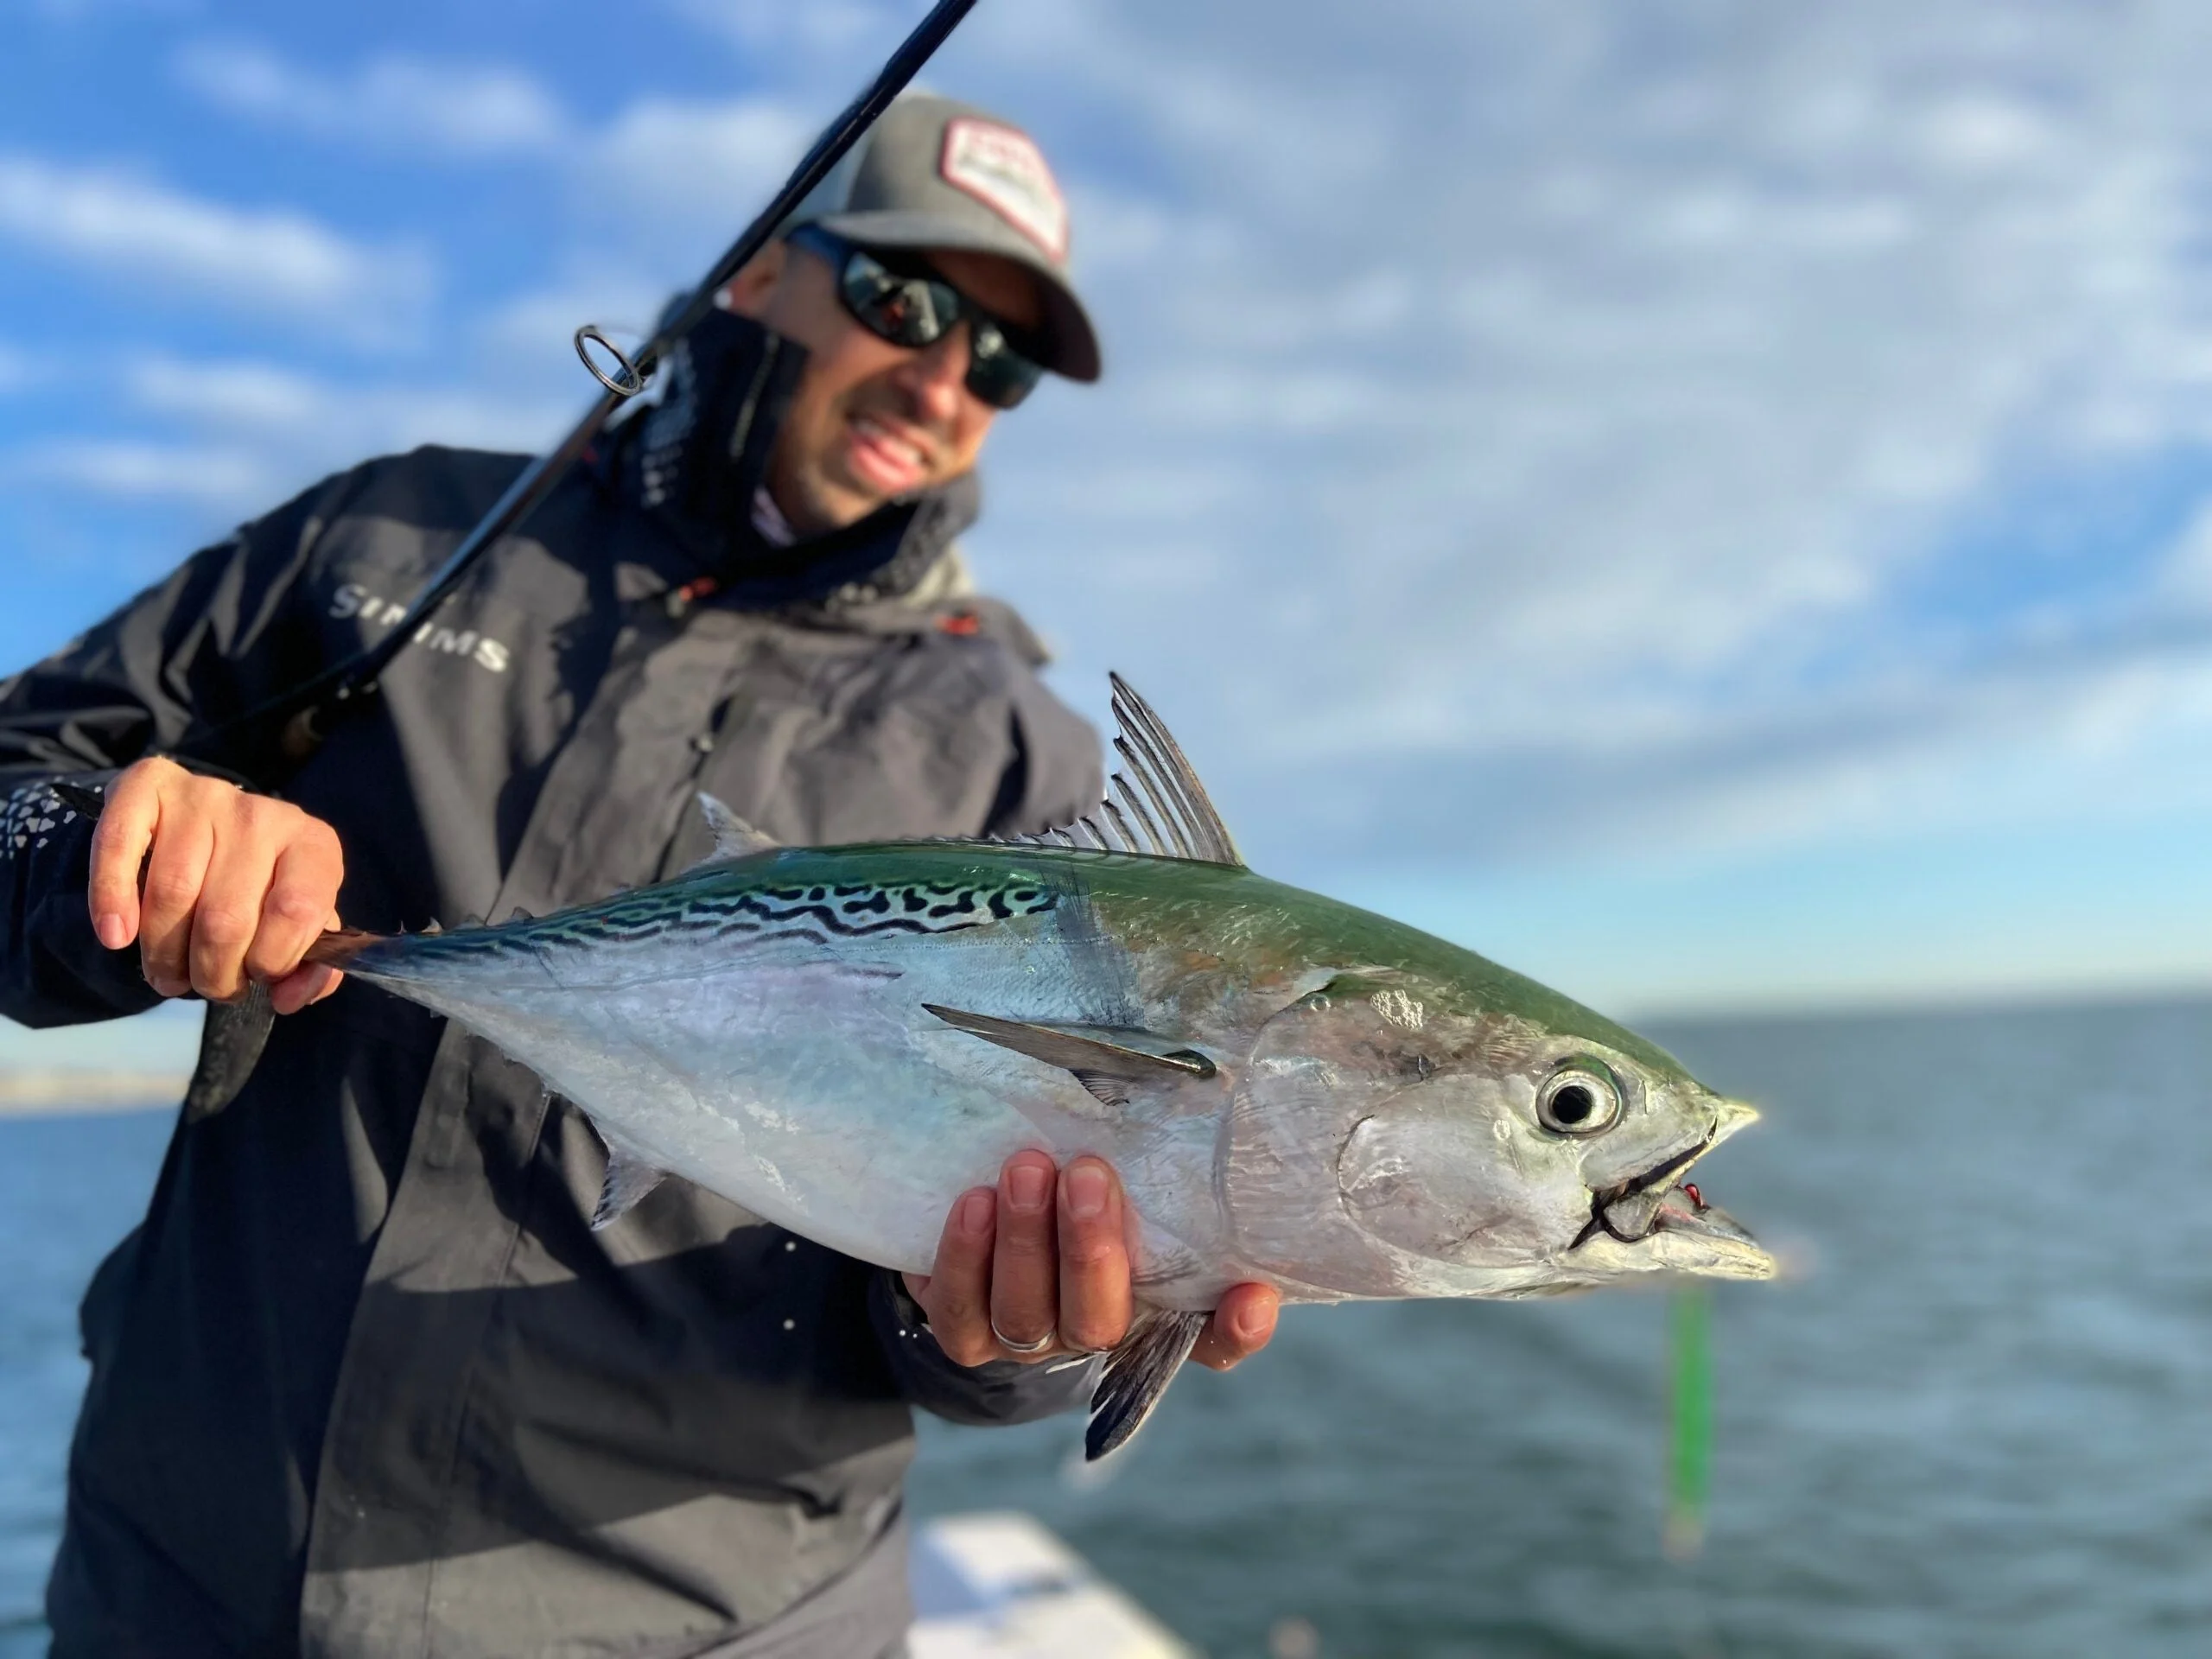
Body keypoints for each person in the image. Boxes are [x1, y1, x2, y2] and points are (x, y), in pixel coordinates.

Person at [0, 95, 1279, 1658]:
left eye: (1001, 360)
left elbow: (948, 1327)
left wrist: (1010, 1334)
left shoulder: (1019, 770)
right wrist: (106, 849)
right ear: (762, 274)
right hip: (188, 1591)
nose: (944, 376)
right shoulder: (400, 540)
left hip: (702, 1629)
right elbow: (17, 786)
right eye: (907, 299)